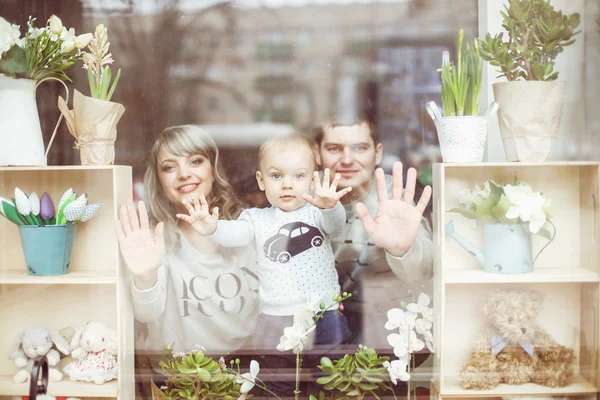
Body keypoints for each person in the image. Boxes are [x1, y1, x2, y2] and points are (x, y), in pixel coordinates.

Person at [176, 133, 352, 396]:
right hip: (275, 318)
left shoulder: (317, 212)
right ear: (261, 180)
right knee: (278, 382)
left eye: (299, 176)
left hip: (322, 314)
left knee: (330, 378)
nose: (287, 185)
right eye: (277, 176)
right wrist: (211, 228)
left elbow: (337, 227)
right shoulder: (256, 219)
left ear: (313, 179)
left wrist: (331, 206)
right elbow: (235, 234)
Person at [114, 125, 260, 370]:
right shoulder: (153, 238)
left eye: (195, 161)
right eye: (169, 167)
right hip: (179, 379)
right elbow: (146, 314)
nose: (183, 174)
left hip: (252, 371)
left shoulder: (248, 226)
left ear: (213, 169)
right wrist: (145, 275)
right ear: (159, 181)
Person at [312, 119, 434, 348]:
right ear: (318, 155)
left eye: (360, 148)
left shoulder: (396, 197)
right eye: (334, 148)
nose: (347, 160)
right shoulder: (303, 198)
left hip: (388, 329)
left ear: (377, 153)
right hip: (323, 328)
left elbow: (426, 268)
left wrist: (403, 250)